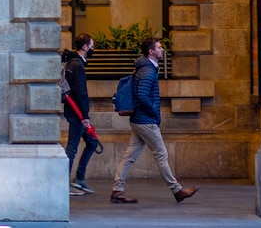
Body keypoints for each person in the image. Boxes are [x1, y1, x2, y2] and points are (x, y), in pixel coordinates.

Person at [110, 37, 199, 204]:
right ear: (151, 51)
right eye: (159, 47)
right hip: (146, 121)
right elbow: (142, 96)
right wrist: (155, 114)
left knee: (129, 156)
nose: (162, 50)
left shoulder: (145, 69)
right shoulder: (148, 71)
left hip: (139, 120)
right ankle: (177, 190)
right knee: (161, 154)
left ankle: (117, 190)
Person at [61, 33, 99, 195]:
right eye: (91, 45)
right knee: (73, 147)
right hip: (77, 113)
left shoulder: (71, 63)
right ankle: (65, 182)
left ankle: (79, 179)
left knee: (92, 143)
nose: (93, 48)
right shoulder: (77, 65)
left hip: (74, 112)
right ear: (84, 46)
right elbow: (81, 93)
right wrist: (85, 117)